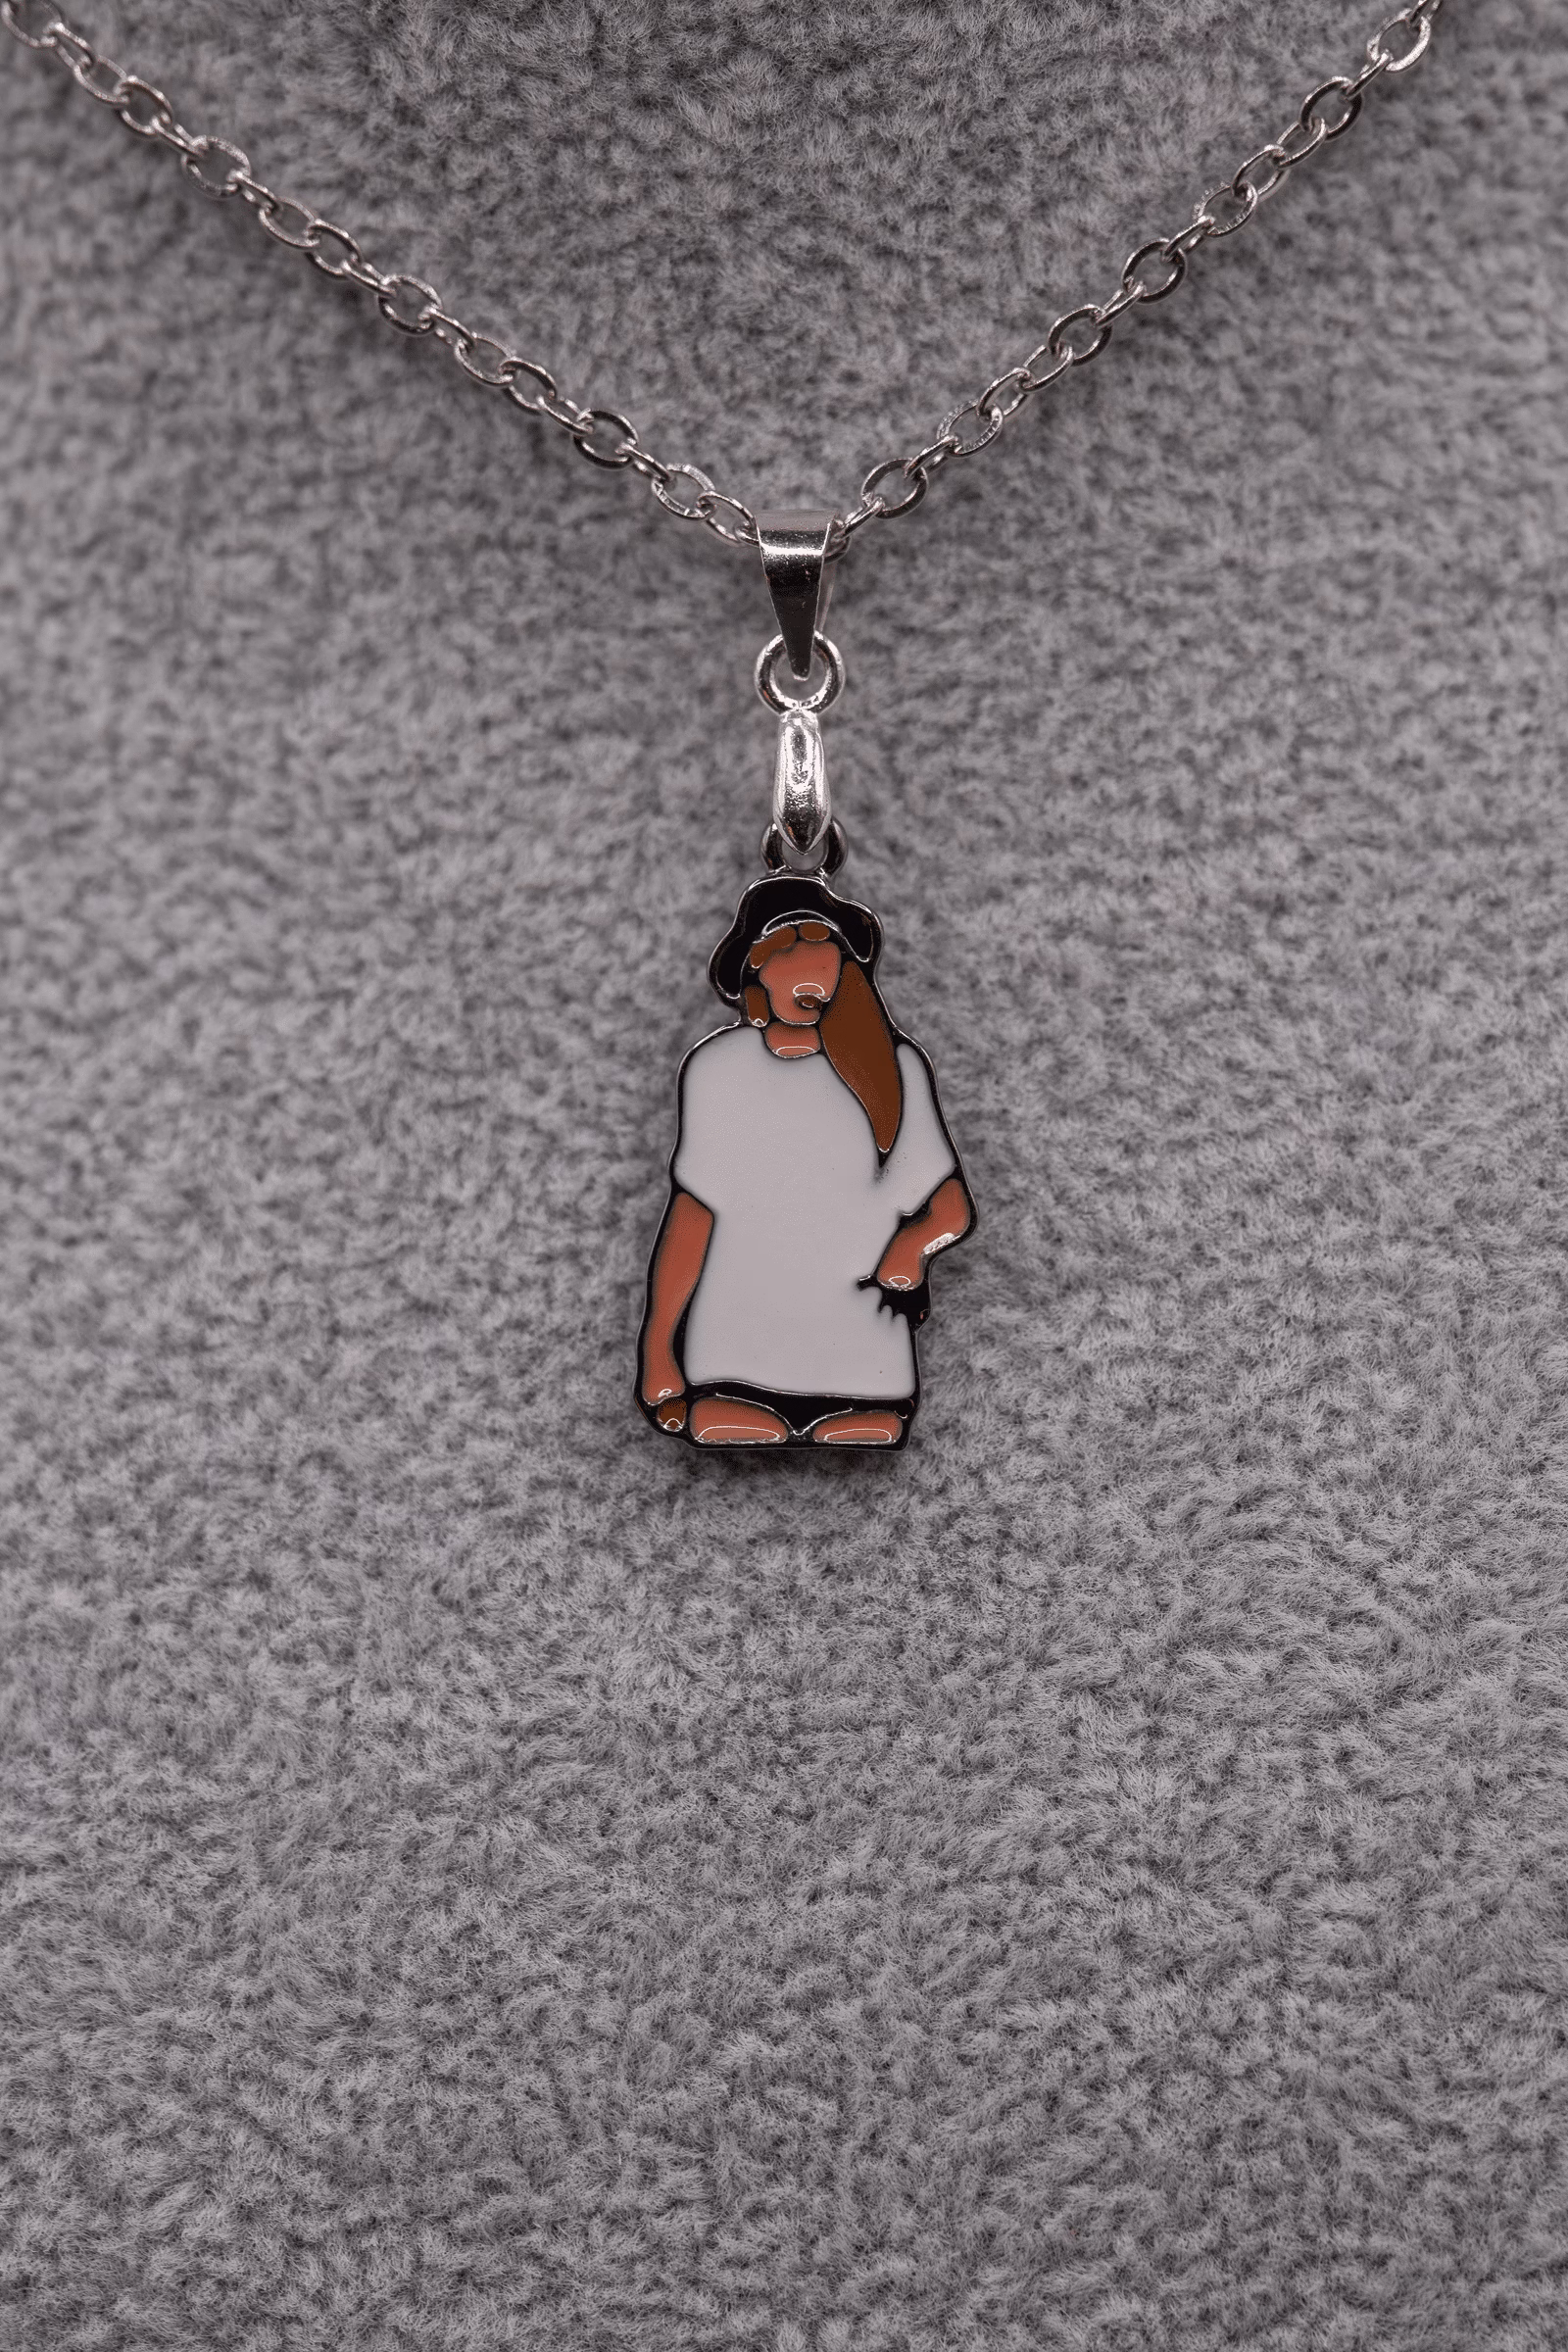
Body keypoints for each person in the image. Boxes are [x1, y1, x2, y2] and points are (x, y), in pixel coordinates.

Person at [637, 874, 974, 1447]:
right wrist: (658, 1350)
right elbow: (694, 1216)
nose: (812, 967)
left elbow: (951, 1207)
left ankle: (851, 1406)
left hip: (863, 1354)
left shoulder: (893, 1071)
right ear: (756, 968)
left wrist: (911, 1249)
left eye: (826, 948)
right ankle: (744, 1398)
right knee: (733, 1420)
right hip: (733, 1348)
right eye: (789, 947)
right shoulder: (717, 1072)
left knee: (865, 1426)